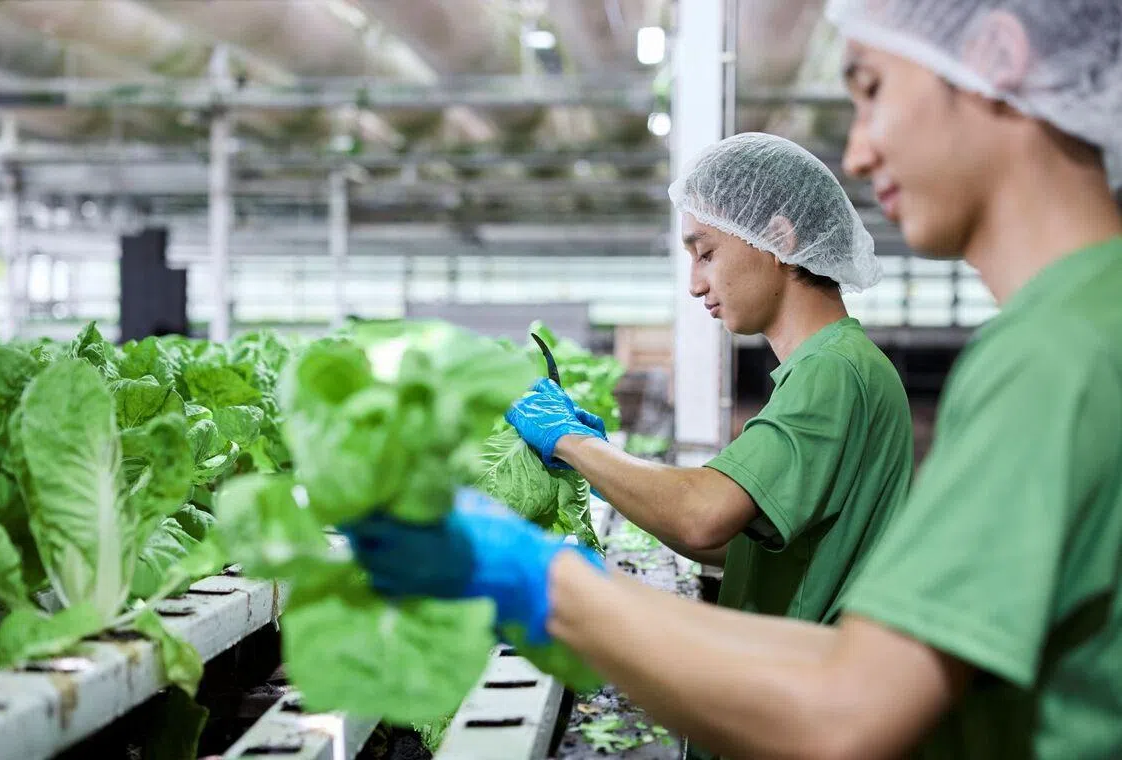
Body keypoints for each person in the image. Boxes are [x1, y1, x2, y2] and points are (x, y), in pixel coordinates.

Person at [346, 0, 1122, 756]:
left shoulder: (1053, 353)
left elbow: (845, 707)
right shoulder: (1076, 325)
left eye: (874, 88)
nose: (856, 153)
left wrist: (548, 578)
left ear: (997, 57)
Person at [510, 132, 913, 634]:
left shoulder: (832, 370)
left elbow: (704, 516)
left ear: (780, 240)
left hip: (805, 685)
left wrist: (572, 442)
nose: (695, 284)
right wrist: (607, 469)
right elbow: (734, 539)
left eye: (706, 253)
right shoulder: (833, 364)